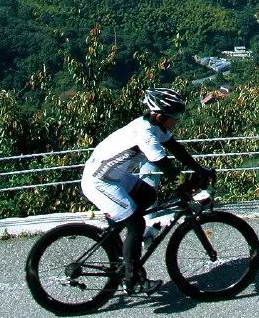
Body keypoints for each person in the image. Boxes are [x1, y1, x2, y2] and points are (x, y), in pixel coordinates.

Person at [81, 88, 215, 295]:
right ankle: (132, 279)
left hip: (113, 177)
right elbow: (167, 168)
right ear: (161, 116)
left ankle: (122, 243)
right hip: (99, 182)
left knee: (147, 195)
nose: (177, 121)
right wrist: (192, 187)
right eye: (175, 117)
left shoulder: (154, 124)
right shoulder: (145, 135)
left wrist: (199, 169)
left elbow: (176, 148)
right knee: (136, 222)